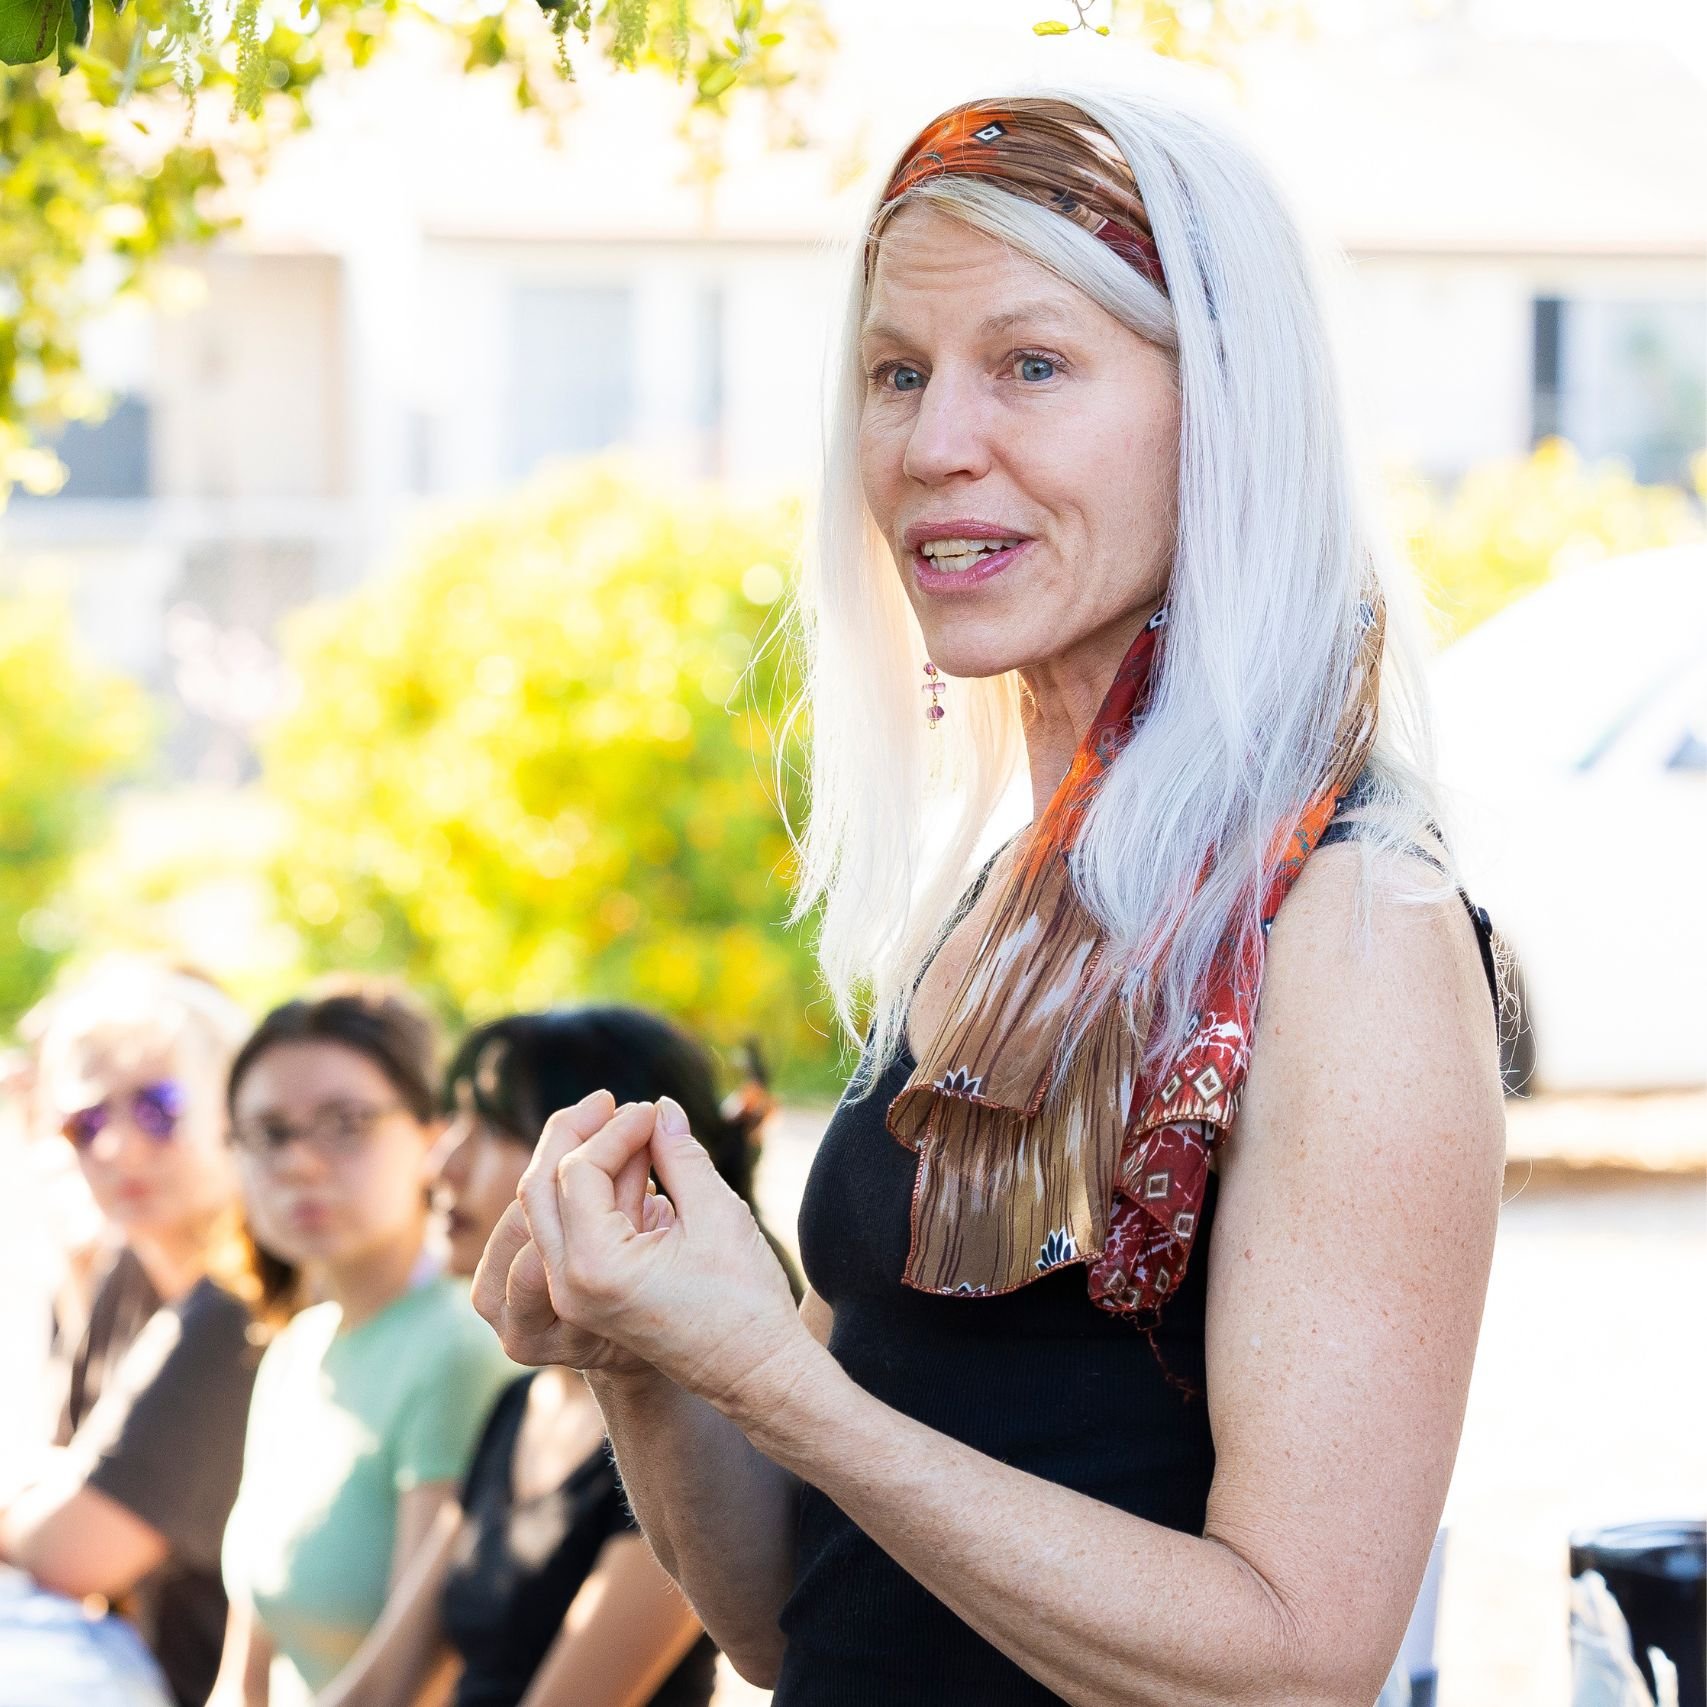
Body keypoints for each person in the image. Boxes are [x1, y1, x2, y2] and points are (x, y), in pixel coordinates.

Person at [473, 86, 1509, 1706]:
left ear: (1228, 407)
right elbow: (803, 1620)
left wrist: (777, 1378)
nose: (930, 441)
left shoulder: (1348, 929)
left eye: (1029, 363)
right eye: (896, 372)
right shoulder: (997, 905)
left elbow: (1293, 1662)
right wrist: (651, 1349)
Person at [313, 1006, 797, 1707]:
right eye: (452, 1122)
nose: (442, 1162)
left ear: (620, 1165)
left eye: (493, 1128)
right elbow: (385, 1681)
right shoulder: (518, 1402)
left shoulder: (689, 1436)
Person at [213, 981, 516, 1706]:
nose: (300, 1162)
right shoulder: (296, 1348)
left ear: (431, 1132)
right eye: (269, 1131)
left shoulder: (459, 1348)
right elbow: (242, 1674)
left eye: (345, 1122)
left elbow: (411, 1683)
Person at [0, 959, 258, 1707]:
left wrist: (49, 1498)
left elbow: (76, 1549)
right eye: (85, 1122)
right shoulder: (129, 1262)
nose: (115, 1148)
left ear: (235, 1110)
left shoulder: (243, 1300)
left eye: (158, 1107)